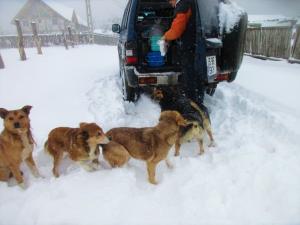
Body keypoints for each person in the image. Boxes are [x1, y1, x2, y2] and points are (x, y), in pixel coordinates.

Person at [162, 0, 204, 104]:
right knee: (196, 74)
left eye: (170, 1)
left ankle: (192, 102)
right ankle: (197, 98)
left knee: (189, 75)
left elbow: (177, 30)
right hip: (197, 45)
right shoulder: (192, 3)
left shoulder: (183, 5)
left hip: (189, 47)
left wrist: (165, 36)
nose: (170, 3)